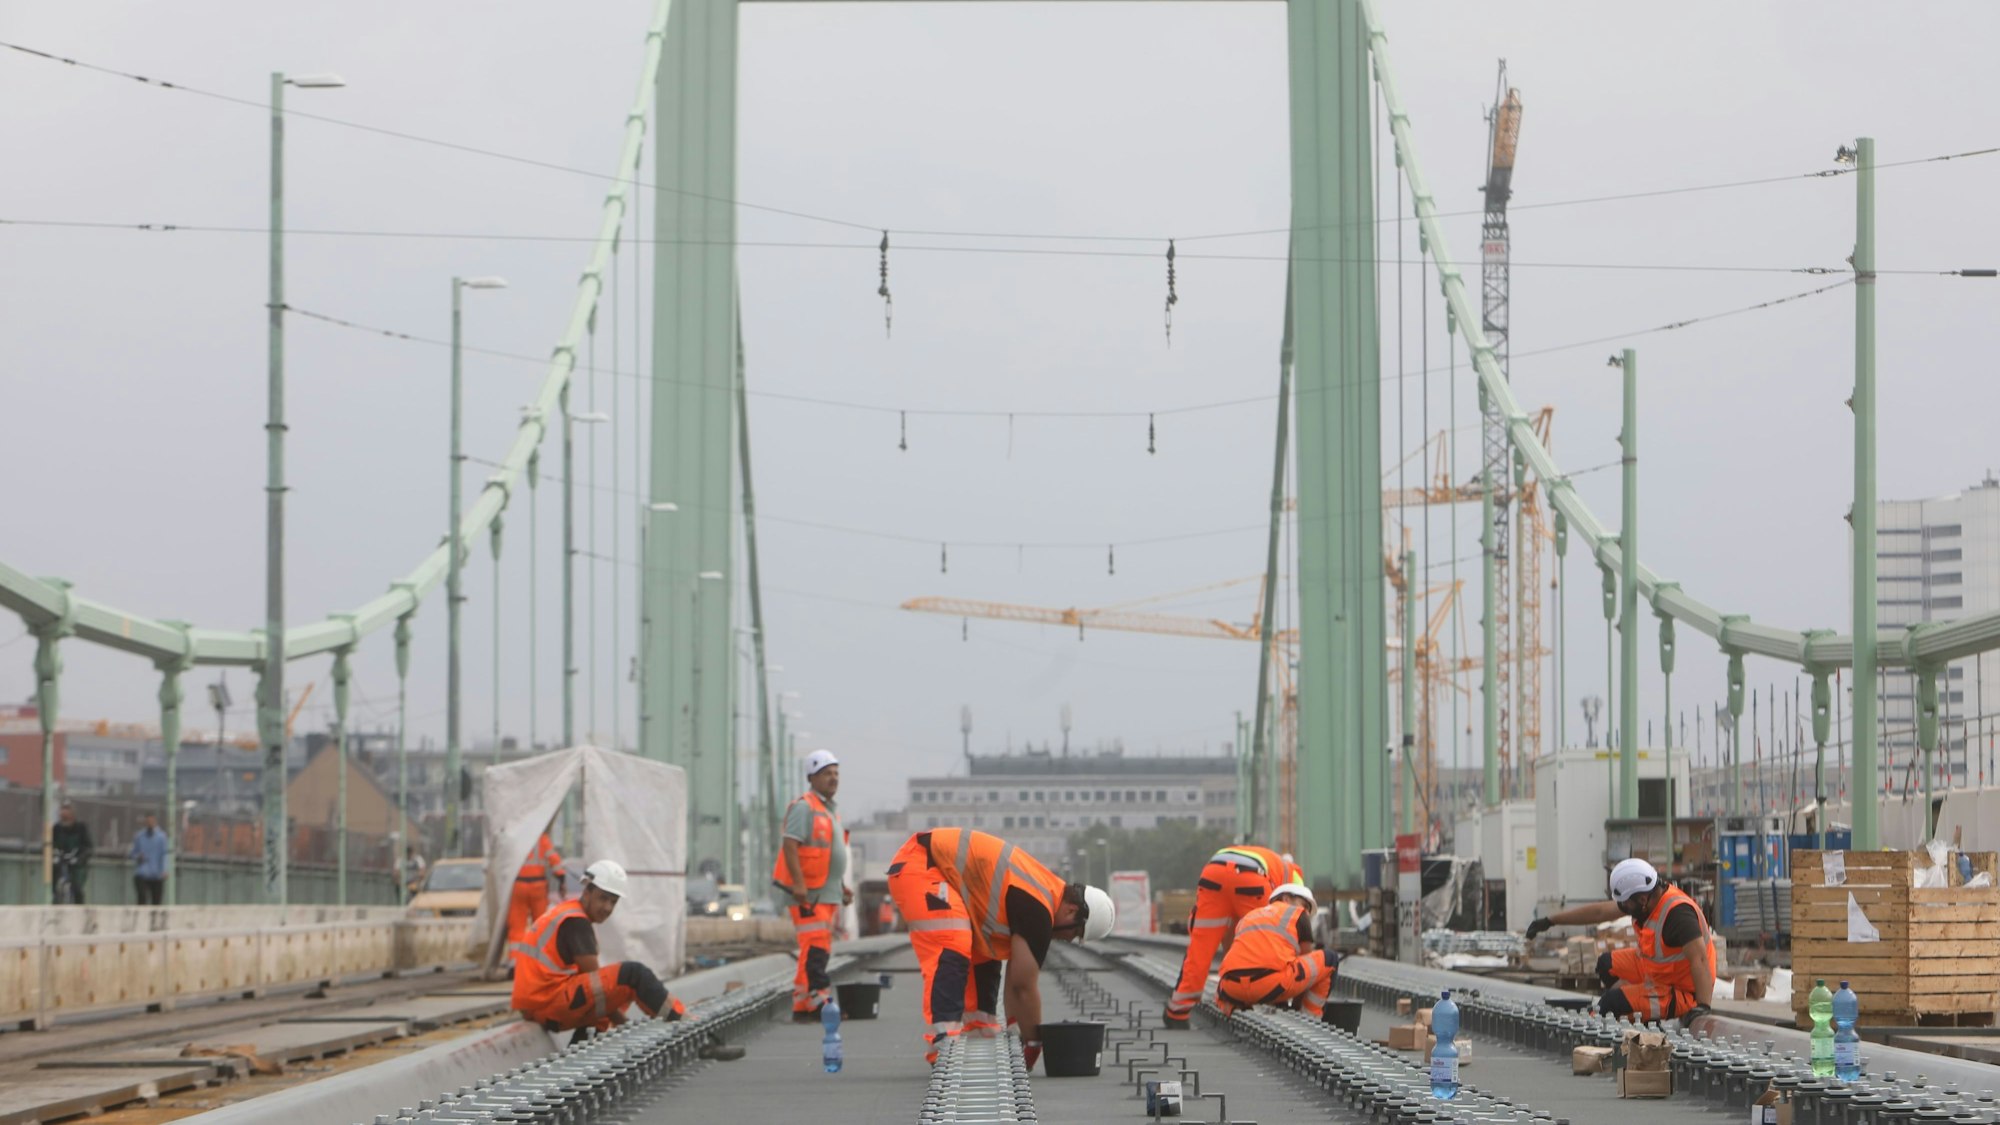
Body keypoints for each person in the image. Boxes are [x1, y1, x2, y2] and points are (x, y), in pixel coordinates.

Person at [886, 827, 1115, 1067]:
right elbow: (1022, 987)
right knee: (952, 943)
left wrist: (1017, 1027)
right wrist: (1034, 1043)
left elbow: (1016, 976)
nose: (1069, 939)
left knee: (985, 951)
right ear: (1072, 911)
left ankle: (979, 1030)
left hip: (932, 867)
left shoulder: (1044, 894)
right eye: (1076, 932)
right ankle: (944, 1044)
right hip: (923, 866)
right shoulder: (1039, 910)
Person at [1525, 857, 1716, 1024]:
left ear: (1642, 899)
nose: (1623, 907)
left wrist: (1702, 1007)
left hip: (1681, 991)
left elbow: (1699, 959)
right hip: (1657, 971)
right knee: (1605, 964)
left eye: (1625, 903)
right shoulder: (1646, 900)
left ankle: (1628, 1014)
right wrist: (1551, 921)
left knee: (1611, 1003)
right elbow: (1599, 912)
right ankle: (1638, 1015)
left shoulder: (1678, 915)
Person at [510, 859, 684, 1034]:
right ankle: (681, 1023)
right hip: (547, 1003)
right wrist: (624, 1025)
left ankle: (580, 1055)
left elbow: (595, 990)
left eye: (613, 902)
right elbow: (599, 987)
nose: (607, 907)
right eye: (603, 898)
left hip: (539, 1005)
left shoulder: (568, 913)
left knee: (604, 1004)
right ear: (587, 893)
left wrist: (619, 1022)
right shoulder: (576, 922)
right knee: (634, 975)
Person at [1165, 843, 1308, 1029]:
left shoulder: (1266, 857)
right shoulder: (1294, 877)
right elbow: (1294, 922)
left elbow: (1232, 941)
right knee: (1267, 944)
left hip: (1213, 874)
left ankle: (1177, 1012)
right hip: (1252, 880)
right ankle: (1265, 999)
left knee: (1200, 951)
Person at [773, 749, 851, 1021]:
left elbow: (829, 854)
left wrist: (842, 886)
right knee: (816, 945)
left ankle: (803, 1003)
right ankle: (819, 998)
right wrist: (798, 883)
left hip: (827, 891)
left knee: (817, 947)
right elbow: (790, 844)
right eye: (827, 773)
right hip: (809, 892)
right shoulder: (804, 807)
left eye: (836, 773)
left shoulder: (829, 811)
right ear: (812, 777)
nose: (833, 778)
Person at [1215, 883, 1335, 1019]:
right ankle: (1309, 1016)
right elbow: (1305, 965)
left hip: (1230, 989)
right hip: (1267, 986)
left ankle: (1234, 1007)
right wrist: (1296, 1005)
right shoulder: (1297, 914)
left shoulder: (1249, 916)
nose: (1306, 912)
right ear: (1286, 899)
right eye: (1304, 905)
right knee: (1329, 959)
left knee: (1279, 967)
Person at [508, 825, 565, 965]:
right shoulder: (542, 839)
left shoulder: (516, 839)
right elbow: (554, 861)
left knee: (517, 927)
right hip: (538, 887)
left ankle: (514, 962)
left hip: (518, 886)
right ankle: (538, 961)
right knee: (539, 925)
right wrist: (561, 879)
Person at [51, 802, 93, 904]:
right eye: (62, 817)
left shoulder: (81, 827)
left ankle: (79, 907)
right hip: (61, 860)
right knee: (55, 883)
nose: (64, 820)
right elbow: (51, 845)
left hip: (77, 862)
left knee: (77, 886)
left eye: (66, 817)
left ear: (72, 816)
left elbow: (88, 847)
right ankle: (56, 901)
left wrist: (80, 858)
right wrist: (54, 856)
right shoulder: (57, 828)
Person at [130, 813, 169, 905]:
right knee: (142, 898)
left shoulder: (161, 837)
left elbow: (163, 854)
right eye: (147, 821)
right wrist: (138, 856)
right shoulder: (139, 836)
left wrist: (164, 870)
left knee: (156, 902)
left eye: (151, 821)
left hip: (156, 874)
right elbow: (132, 853)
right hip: (143, 873)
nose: (150, 823)